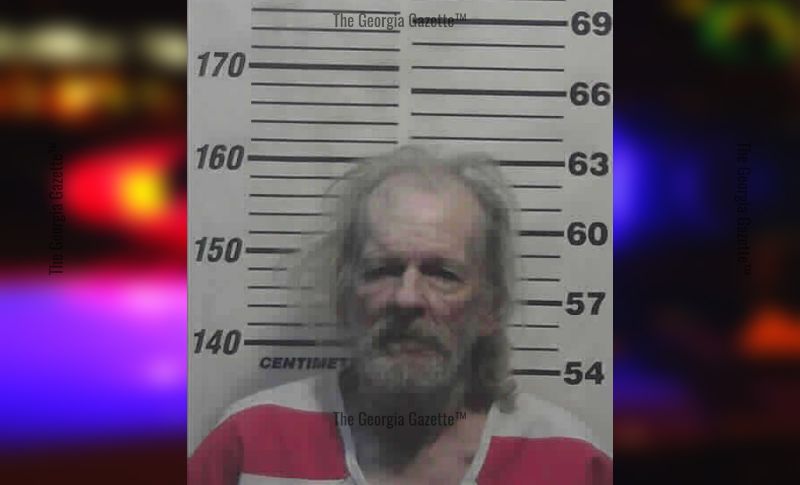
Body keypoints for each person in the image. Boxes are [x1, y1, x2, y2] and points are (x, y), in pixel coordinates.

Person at [188, 146, 612, 484]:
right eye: (382, 270)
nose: (406, 298)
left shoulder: (572, 464)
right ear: (344, 296)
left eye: (443, 274)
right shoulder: (248, 442)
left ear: (490, 308)